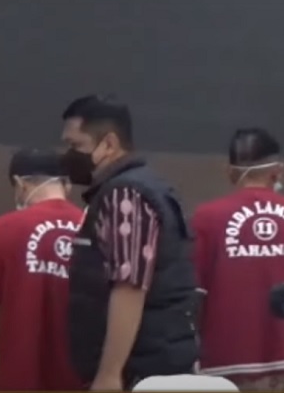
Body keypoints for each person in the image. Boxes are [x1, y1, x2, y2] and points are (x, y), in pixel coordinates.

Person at [59, 95, 199, 390]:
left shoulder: (125, 195)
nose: (68, 155)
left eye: (75, 145)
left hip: (139, 373)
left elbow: (129, 287)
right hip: (156, 360)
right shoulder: (147, 187)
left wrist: (109, 374)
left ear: (109, 144)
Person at [190, 127, 284, 391]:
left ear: (229, 171)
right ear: (278, 171)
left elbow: (193, 298)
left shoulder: (206, 218)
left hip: (224, 367)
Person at [0, 148, 84, 391]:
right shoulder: (93, 227)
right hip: (82, 377)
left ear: (20, 184)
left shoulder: (4, 228)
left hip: (19, 376)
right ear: (66, 185)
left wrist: (9, 363)